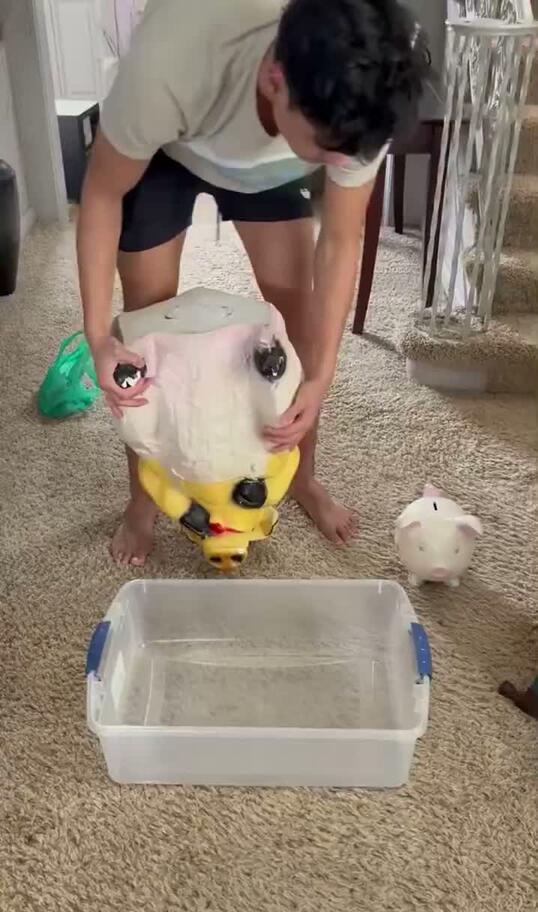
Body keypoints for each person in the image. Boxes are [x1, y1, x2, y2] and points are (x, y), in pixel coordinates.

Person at [77, 0, 428, 565]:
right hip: (166, 150)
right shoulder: (169, 62)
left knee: (297, 332)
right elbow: (101, 193)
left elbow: (340, 240)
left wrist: (321, 376)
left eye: (352, 156)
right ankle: (142, 502)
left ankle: (303, 477)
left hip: (272, 166)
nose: (343, 165)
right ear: (274, 78)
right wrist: (98, 335)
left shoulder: (368, 94)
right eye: (329, 151)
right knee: (146, 333)